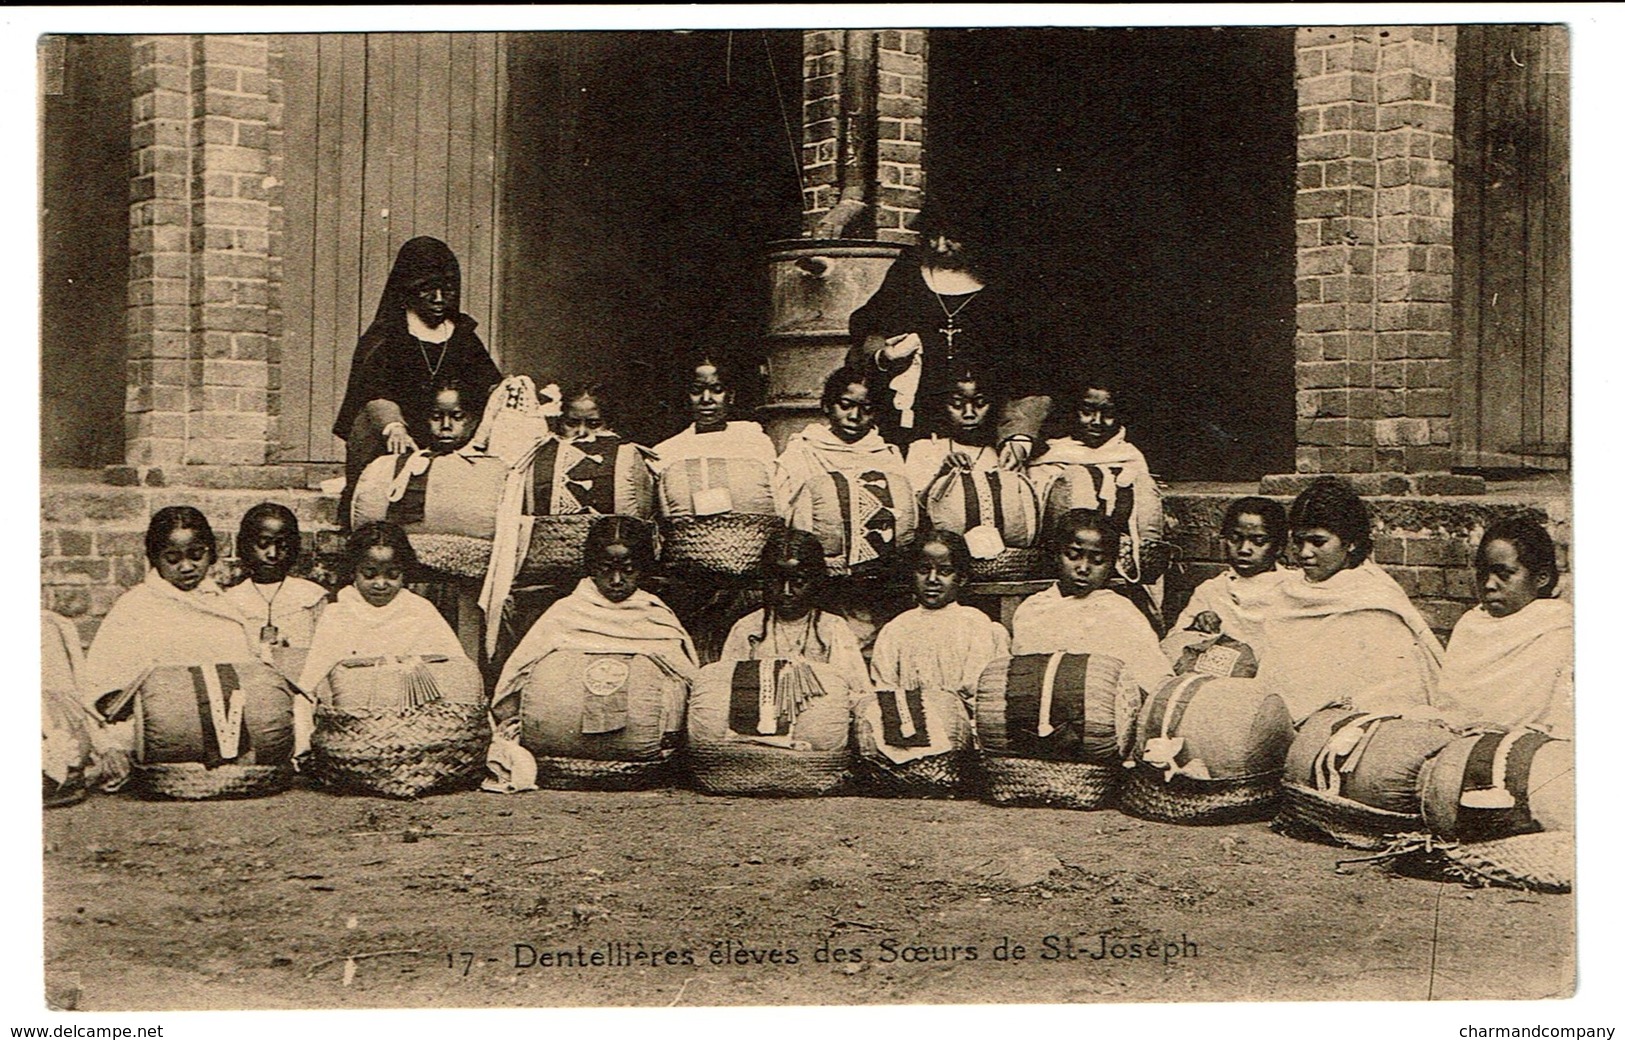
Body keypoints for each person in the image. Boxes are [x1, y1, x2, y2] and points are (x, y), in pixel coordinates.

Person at [846, 206, 1049, 466]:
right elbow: (866, 332)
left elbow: (1028, 374)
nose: (940, 247)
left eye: (952, 238)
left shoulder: (1005, 289)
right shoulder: (907, 274)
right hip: (909, 430)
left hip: (982, 432)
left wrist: (1018, 436)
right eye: (933, 237)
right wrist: (885, 355)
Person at [83, 507, 261, 788]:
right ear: (155, 559)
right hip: (155, 725)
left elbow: (245, 674)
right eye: (172, 559)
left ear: (211, 553)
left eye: (196, 555)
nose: (187, 567)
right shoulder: (136, 606)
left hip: (221, 721)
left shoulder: (223, 605)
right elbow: (103, 688)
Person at [334, 237, 501, 523]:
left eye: (447, 290)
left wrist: (512, 393)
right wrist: (393, 426)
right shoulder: (386, 336)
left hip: (450, 435)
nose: (439, 299)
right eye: (428, 290)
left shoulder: (461, 334)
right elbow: (374, 391)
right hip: (397, 438)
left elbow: (489, 384)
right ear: (408, 290)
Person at [1252, 476, 1443, 721]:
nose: (1304, 553)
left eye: (1318, 542)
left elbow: (1393, 691)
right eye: (1299, 542)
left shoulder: (1374, 599)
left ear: (1351, 543)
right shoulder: (1288, 591)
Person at [490, 516, 698, 722]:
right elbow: (518, 676)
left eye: (628, 570)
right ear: (592, 567)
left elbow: (687, 682)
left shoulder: (655, 616)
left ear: (643, 569)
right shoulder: (565, 613)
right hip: (566, 724)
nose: (616, 581)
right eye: (606, 569)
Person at [296, 522, 469, 757]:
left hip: (417, 726)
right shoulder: (338, 614)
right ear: (353, 572)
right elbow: (310, 685)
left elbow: (455, 673)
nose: (380, 584)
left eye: (392, 575)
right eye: (369, 574)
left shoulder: (419, 610)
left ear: (404, 574)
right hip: (353, 728)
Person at [1431, 517, 1572, 735]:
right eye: (1483, 574)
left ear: (1541, 577)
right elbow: (1451, 708)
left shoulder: (1559, 629)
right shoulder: (1471, 624)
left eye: (1504, 574)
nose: (1489, 584)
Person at [1009, 509, 1172, 697]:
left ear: (1111, 564)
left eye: (1098, 560)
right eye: (1073, 555)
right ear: (1055, 554)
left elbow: (1152, 679)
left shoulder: (1119, 612)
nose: (1084, 568)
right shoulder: (1032, 609)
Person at [1026, 377, 1162, 590]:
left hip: (1127, 568)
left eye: (1107, 414)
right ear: (1073, 412)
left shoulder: (1129, 455)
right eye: (1087, 411)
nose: (1097, 421)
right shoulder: (1051, 455)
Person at [718, 528, 871, 697]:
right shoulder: (747, 628)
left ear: (816, 582)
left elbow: (858, 693)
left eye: (798, 582)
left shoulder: (832, 628)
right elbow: (726, 690)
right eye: (776, 581)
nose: (786, 591)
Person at [869, 530, 1010, 705]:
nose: (932, 579)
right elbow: (886, 688)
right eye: (923, 570)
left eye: (945, 571)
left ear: (962, 578)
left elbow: (982, 692)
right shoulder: (897, 629)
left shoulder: (976, 625)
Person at [1160, 496, 1289, 661]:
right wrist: (1195, 628)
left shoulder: (1293, 588)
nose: (1244, 549)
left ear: (1278, 547)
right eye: (1235, 539)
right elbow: (1175, 645)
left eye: (1258, 541)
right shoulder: (1212, 590)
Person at [773, 366, 911, 519]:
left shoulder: (887, 456)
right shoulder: (803, 451)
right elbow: (781, 509)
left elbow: (903, 514)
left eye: (867, 408)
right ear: (826, 405)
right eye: (845, 405)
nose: (855, 416)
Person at [223, 503, 328, 670]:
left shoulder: (312, 596)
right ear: (244, 544)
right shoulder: (231, 601)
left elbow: (325, 655)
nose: (273, 554)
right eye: (263, 544)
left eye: (282, 545)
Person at [650, 356, 776, 475]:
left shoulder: (752, 441)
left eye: (717, 390)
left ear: (730, 396)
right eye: (696, 391)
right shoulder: (667, 451)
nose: (706, 399)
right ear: (686, 397)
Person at [903, 366, 1003, 494]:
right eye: (957, 404)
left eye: (980, 403)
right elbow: (915, 509)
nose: (969, 414)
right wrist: (943, 474)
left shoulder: (1004, 453)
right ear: (943, 406)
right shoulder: (924, 449)